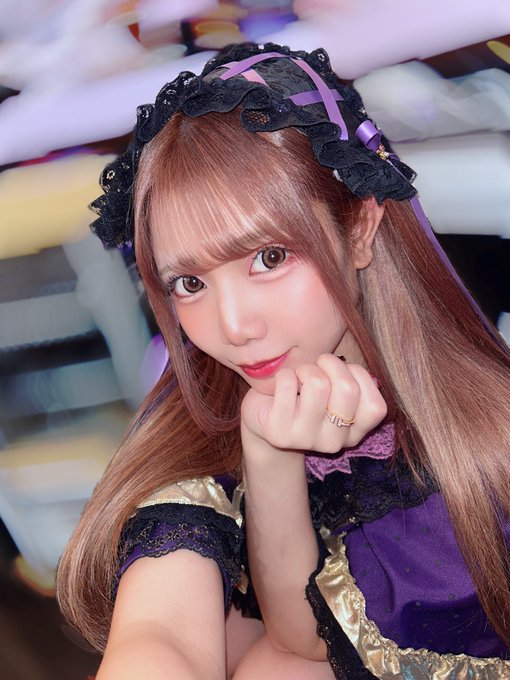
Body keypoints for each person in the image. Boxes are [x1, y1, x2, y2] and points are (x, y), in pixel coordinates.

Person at [57, 42, 510, 679]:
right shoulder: (198, 439)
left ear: (360, 227)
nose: (235, 327)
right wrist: (268, 456)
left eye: (269, 259)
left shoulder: (489, 423)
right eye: (190, 283)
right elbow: (275, 638)